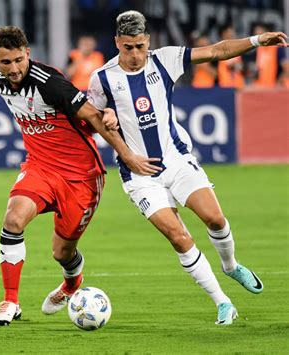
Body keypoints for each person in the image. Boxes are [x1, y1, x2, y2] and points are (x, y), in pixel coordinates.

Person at [88, 10, 287, 325]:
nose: (135, 54)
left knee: (215, 219)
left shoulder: (165, 59)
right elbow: (92, 120)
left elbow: (218, 51)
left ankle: (231, 266)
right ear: (117, 43)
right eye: (128, 48)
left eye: (140, 46)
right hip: (139, 175)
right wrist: (109, 124)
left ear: (148, 41)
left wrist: (257, 40)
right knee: (179, 237)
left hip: (176, 160)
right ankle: (223, 303)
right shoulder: (101, 78)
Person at [0, 26, 160, 326]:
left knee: (61, 251)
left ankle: (71, 285)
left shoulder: (50, 84)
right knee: (13, 220)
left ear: (28, 53)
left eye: (18, 61)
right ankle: (10, 300)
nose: (13, 69)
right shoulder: (0, 79)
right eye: (5, 63)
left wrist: (127, 156)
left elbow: (92, 116)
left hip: (81, 176)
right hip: (39, 167)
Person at [217, 24, 245, 88]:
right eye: (229, 32)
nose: (231, 35)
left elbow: (240, 67)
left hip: (238, 86)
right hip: (225, 86)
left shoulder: (237, 49)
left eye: (232, 32)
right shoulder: (217, 49)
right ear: (223, 34)